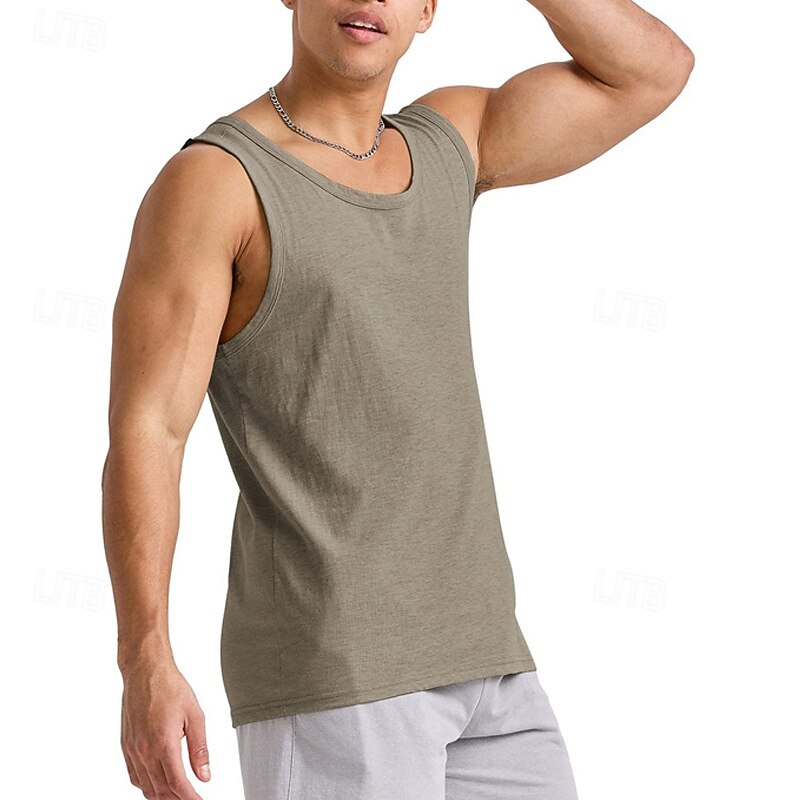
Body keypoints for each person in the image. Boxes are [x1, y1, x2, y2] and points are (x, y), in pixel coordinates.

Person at [101, 1, 693, 798]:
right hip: (336, 674)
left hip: (490, 663)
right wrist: (145, 661)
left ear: (427, 10)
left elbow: (654, 72)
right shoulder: (217, 181)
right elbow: (149, 433)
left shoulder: (451, 141)